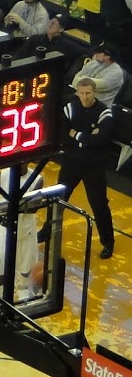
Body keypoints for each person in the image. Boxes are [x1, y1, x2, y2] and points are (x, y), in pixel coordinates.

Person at [58, 76, 117, 261]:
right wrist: (88, 138)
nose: (85, 97)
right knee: (58, 199)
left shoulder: (104, 112)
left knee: (99, 204)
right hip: (71, 163)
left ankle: (108, 241)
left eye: (88, 93)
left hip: (93, 166)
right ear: (77, 93)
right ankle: (46, 232)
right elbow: (62, 134)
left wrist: (77, 135)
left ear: (94, 93)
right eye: (82, 93)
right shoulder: (69, 108)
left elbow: (102, 139)